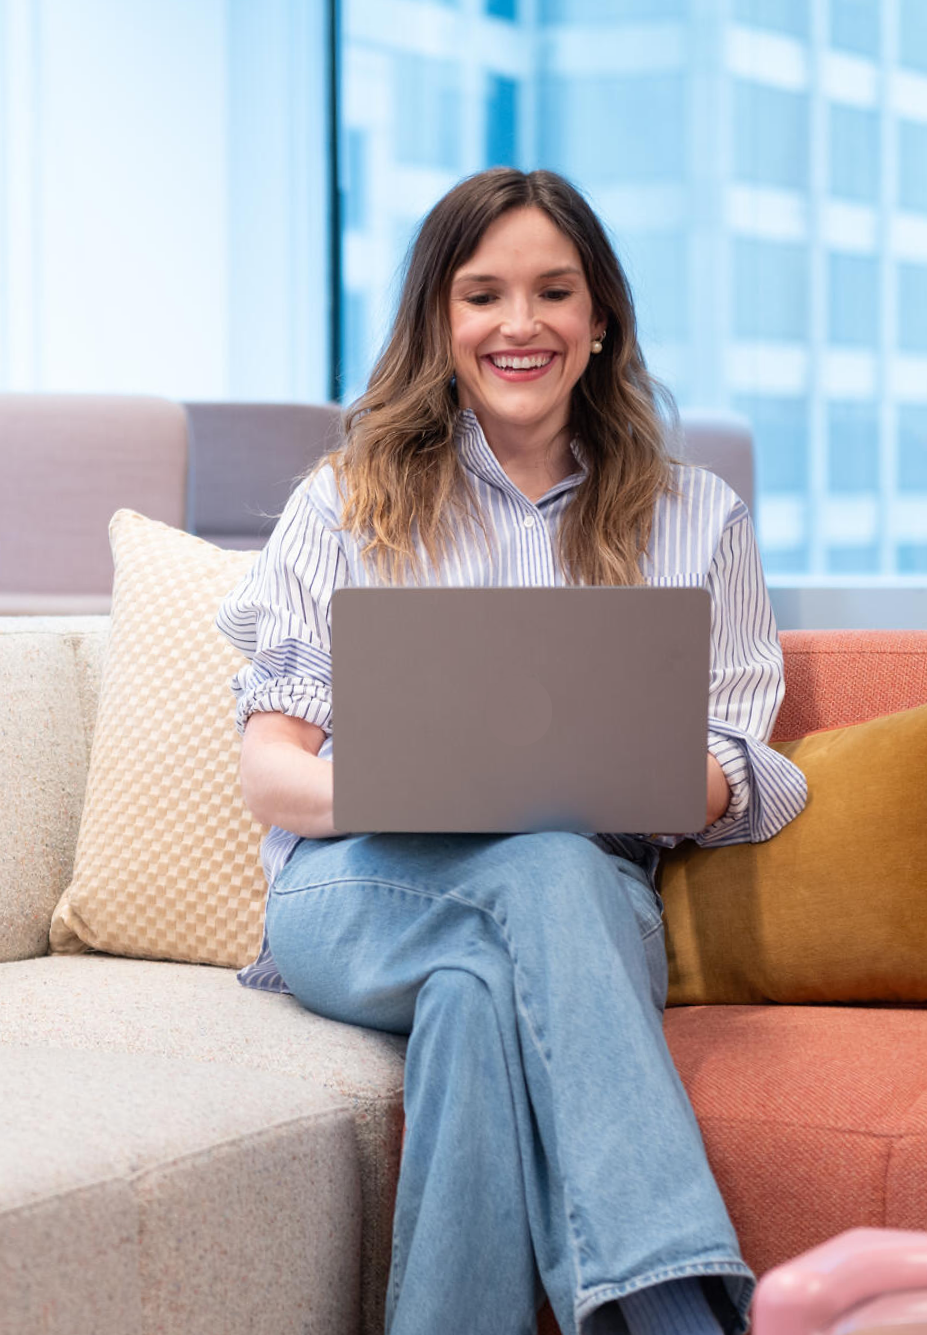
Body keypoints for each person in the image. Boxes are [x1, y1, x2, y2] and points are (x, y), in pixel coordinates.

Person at [216, 167, 809, 1335]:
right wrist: (439, 785)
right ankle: (676, 1310)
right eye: (482, 294)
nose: (518, 324)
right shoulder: (344, 503)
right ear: (440, 320)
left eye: (552, 292)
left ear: (600, 324)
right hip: (358, 889)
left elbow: (743, 762)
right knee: (534, 865)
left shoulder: (696, 517)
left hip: (589, 902)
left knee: (478, 995)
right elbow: (271, 771)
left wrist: (631, 773)